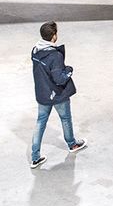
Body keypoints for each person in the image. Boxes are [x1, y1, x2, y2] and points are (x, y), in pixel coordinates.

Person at [30, 21, 87, 168]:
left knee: (40, 122)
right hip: (57, 94)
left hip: (42, 94)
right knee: (65, 118)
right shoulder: (54, 56)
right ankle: (72, 144)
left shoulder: (35, 51)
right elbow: (59, 79)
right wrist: (69, 70)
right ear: (54, 36)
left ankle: (35, 156)